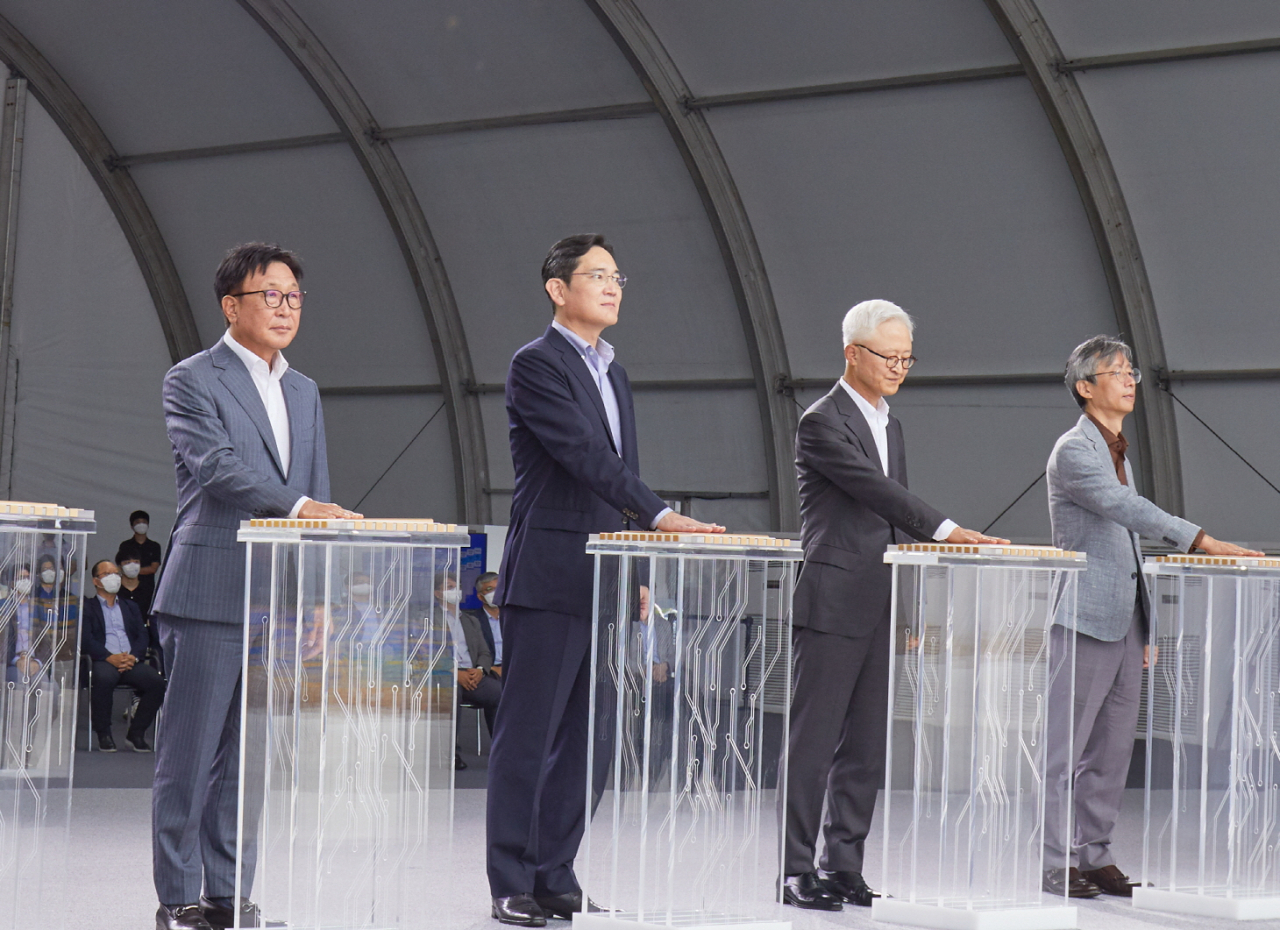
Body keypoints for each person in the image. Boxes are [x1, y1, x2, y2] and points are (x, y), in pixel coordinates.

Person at [486, 235, 723, 927]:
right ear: (558, 289)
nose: (613, 286)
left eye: (617, 275)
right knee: (529, 735)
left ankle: (556, 872)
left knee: (589, 741)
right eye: (596, 275)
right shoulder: (536, 364)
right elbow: (583, 457)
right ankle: (510, 879)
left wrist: (642, 566)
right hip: (552, 572)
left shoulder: (613, 373)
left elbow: (620, 474)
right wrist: (663, 513)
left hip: (610, 575)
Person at [150, 243, 361, 930]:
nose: (284, 307)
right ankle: (179, 896)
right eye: (269, 294)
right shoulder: (192, 379)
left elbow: (319, 487)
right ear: (230, 305)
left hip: (275, 599)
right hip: (209, 589)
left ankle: (228, 895)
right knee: (190, 756)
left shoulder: (303, 389)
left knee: (248, 764)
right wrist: (298, 508)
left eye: (294, 295)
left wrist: (320, 595)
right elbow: (215, 469)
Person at [782, 300, 1006, 911]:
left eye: (907, 357)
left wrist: (908, 609)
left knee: (867, 747)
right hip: (833, 600)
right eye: (888, 356)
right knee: (814, 740)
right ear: (852, 353)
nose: (898, 368)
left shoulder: (891, 424)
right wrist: (949, 529)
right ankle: (795, 868)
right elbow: (879, 494)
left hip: (883, 600)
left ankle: (844, 865)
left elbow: (895, 525)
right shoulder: (821, 421)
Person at [1041, 335, 1261, 898]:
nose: (1131, 379)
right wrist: (1201, 539)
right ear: (1086, 387)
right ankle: (1054, 861)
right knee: (1067, 750)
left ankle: (1095, 854)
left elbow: (1127, 549)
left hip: (1124, 624)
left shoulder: (1117, 450)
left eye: (1132, 371)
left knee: (1113, 751)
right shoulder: (1075, 450)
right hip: (1085, 618)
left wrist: (1147, 628)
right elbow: (1125, 511)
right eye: (1117, 372)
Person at [81, 560, 166, 752]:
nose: (114, 577)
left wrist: (134, 657)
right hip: (103, 660)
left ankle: (136, 733)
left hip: (130, 661)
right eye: (107, 573)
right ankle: (104, 733)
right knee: (103, 678)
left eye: (116, 573)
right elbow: (86, 639)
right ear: (96, 581)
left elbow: (142, 635)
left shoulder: (130, 606)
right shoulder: (88, 606)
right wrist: (109, 657)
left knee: (157, 683)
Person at [440, 574, 501, 768]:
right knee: (452, 694)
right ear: (436, 593)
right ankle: (451, 754)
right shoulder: (429, 617)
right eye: (449, 587)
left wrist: (481, 670)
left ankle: (503, 751)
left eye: (456, 586)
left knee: (499, 692)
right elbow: (426, 652)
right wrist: (454, 672)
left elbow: (484, 651)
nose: (454, 591)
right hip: (446, 675)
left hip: (473, 673)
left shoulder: (469, 620)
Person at [116, 510, 162, 616]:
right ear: (132, 526)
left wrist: (131, 571)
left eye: (144, 522)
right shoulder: (125, 545)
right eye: (137, 522)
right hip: (126, 589)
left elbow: (153, 568)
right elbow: (121, 567)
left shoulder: (154, 546)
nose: (141, 525)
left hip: (147, 589)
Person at [469, 571, 502, 676]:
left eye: (498, 588)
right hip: (488, 671)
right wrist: (490, 668)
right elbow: (472, 653)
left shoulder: (515, 618)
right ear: (480, 597)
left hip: (514, 669)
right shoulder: (473, 620)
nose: (495, 593)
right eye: (489, 589)